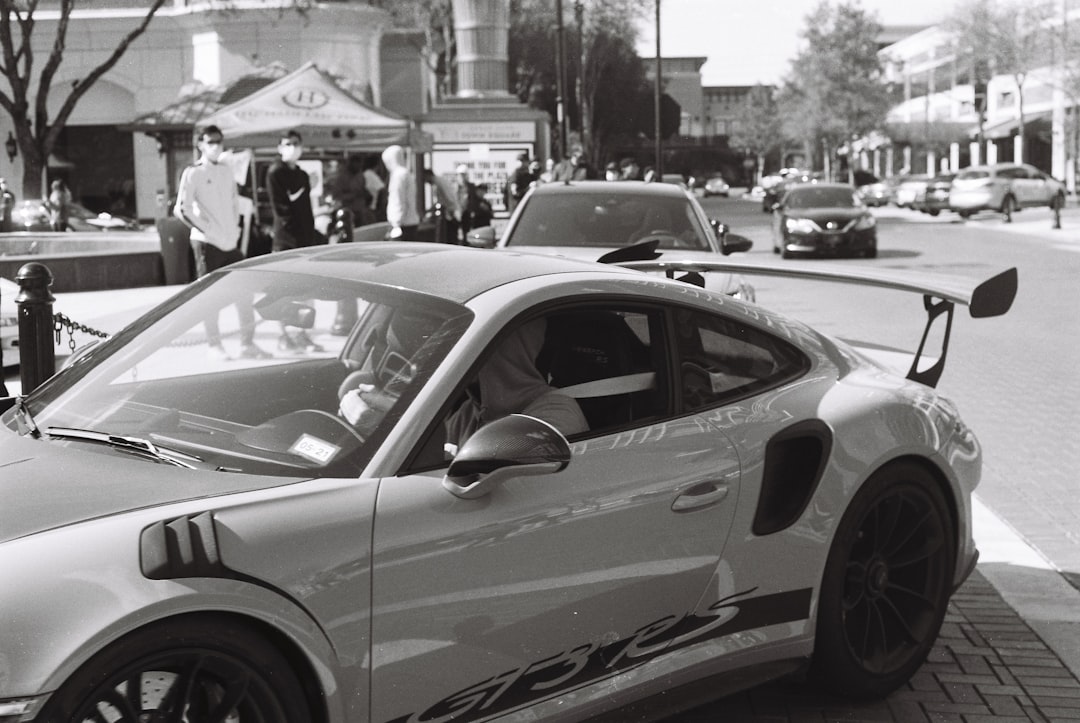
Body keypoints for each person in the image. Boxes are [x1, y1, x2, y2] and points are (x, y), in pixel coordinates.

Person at [175, 124, 269, 361]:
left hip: (230, 243)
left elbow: (233, 202)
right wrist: (207, 230)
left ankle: (248, 343)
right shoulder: (193, 172)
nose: (216, 146)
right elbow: (181, 209)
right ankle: (213, 345)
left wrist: (235, 230)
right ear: (200, 145)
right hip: (207, 243)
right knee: (211, 296)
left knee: (244, 294)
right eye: (210, 141)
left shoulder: (226, 171)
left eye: (219, 141)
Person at [444, 317, 588, 455]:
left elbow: (498, 474)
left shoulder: (558, 412)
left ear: (503, 352)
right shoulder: (467, 412)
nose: (451, 358)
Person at [267, 129, 323, 353]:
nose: (292, 147)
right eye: (287, 143)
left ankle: (302, 335)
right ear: (280, 147)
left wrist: (311, 236)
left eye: (296, 143)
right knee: (285, 290)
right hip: (286, 241)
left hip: (305, 241)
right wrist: (295, 239)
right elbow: (282, 211)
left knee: (306, 292)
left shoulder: (301, 174)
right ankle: (284, 336)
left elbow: (307, 209)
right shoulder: (275, 172)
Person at [382, 144, 420, 240]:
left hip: (402, 224)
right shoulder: (406, 173)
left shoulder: (398, 175)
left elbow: (398, 199)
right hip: (409, 221)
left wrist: (396, 222)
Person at [330, 154, 374, 226]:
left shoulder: (360, 176)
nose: (358, 166)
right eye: (356, 164)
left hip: (360, 210)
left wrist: (366, 194)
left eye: (360, 164)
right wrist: (352, 195)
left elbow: (363, 189)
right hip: (347, 211)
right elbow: (336, 196)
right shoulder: (342, 178)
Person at [423, 168, 462, 243]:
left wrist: (451, 212)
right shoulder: (439, 181)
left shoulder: (438, 182)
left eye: (425, 178)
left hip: (449, 215)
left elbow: (448, 199)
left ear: (428, 176)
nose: (425, 181)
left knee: (450, 239)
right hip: (450, 213)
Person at [363, 155, 387, 222]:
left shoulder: (366, 174)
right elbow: (382, 190)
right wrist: (380, 208)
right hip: (372, 209)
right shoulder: (369, 174)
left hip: (371, 208)